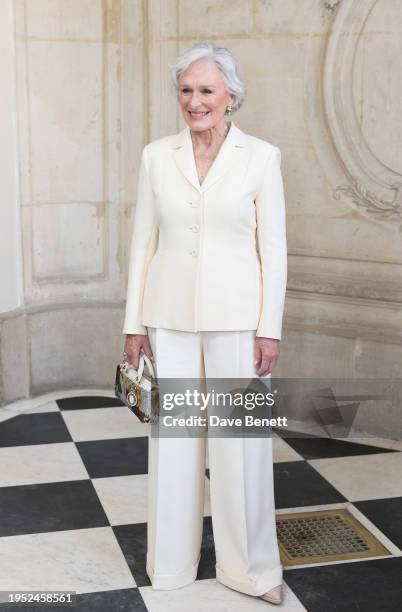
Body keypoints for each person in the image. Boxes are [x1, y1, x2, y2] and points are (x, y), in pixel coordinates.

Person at [122, 42, 287, 606]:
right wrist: (133, 323)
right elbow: (143, 243)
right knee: (173, 444)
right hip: (166, 321)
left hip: (239, 322)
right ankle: (169, 566)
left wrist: (270, 328)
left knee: (242, 448)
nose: (195, 101)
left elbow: (275, 251)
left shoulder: (262, 158)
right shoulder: (154, 156)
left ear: (231, 97)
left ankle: (253, 570)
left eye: (206, 90)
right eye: (187, 90)